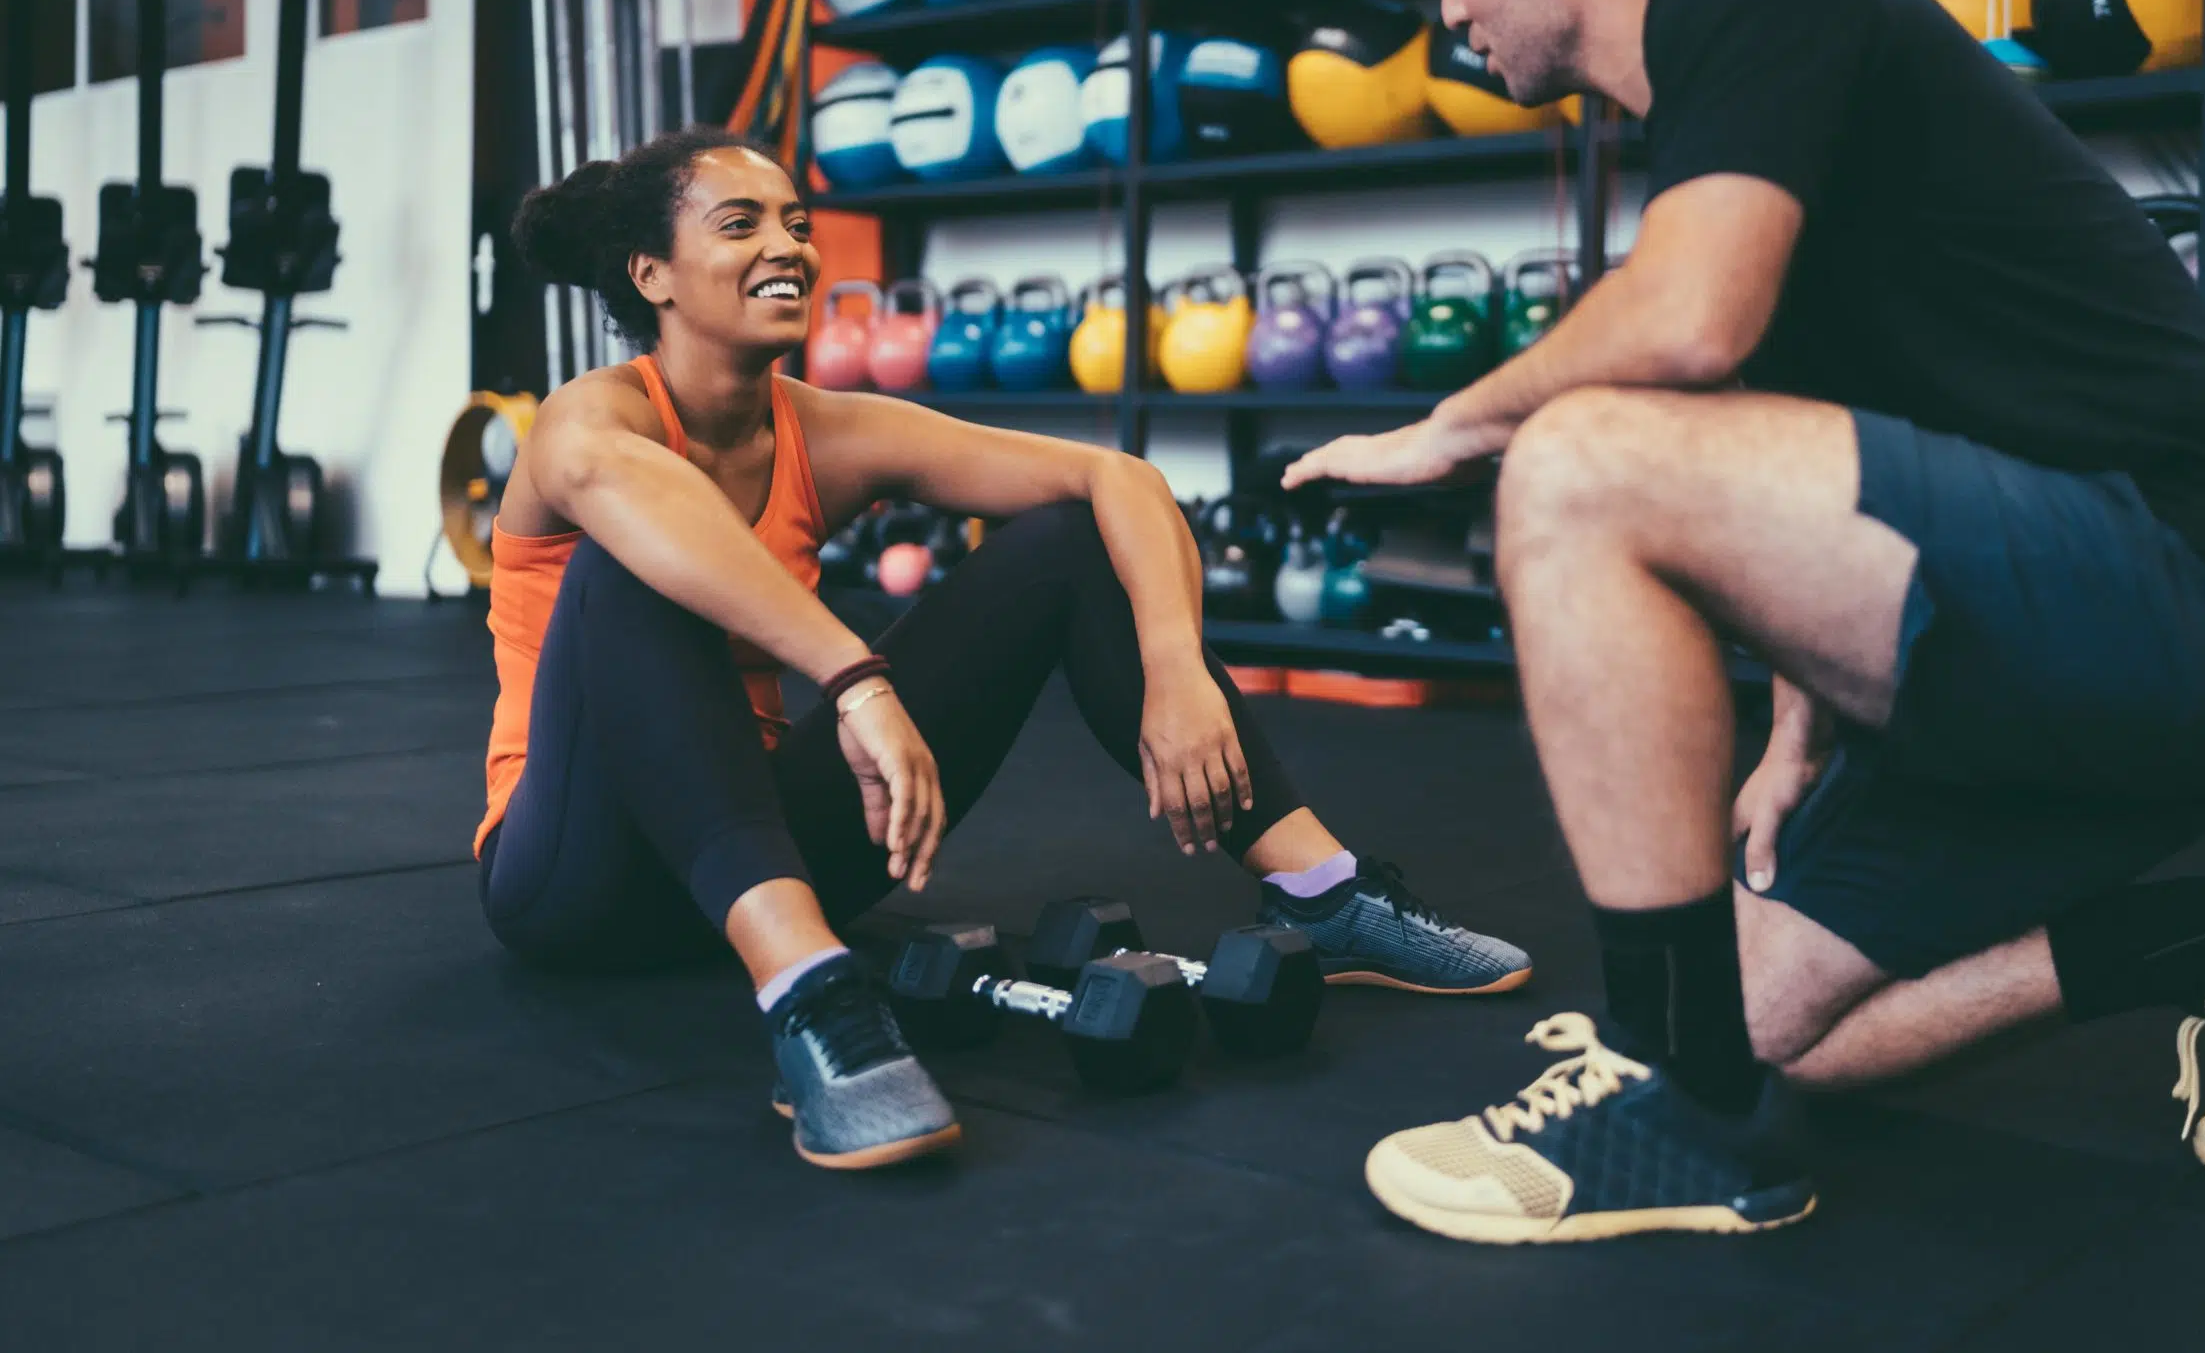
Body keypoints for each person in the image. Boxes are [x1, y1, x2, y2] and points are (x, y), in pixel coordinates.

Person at [1283, 0, 2205, 1245]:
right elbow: (1816, 443)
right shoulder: (1740, 114)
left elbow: (1688, 331)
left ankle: (1673, 1116)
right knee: (1764, 1023)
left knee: (1573, 458)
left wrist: (1455, 423)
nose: (1448, 5)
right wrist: (1802, 716)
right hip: (2046, 628)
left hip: (2202, 579)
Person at [476, 129, 1531, 1172]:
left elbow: (1116, 480)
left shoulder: (824, 429)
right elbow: (629, 493)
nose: (788, 247)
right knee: (626, 562)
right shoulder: (587, 420)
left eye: (798, 224)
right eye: (741, 224)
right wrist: (855, 680)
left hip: (772, 848)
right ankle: (816, 1002)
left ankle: (1324, 893)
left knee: (1067, 538)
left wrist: (1174, 665)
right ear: (649, 273)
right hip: (578, 877)